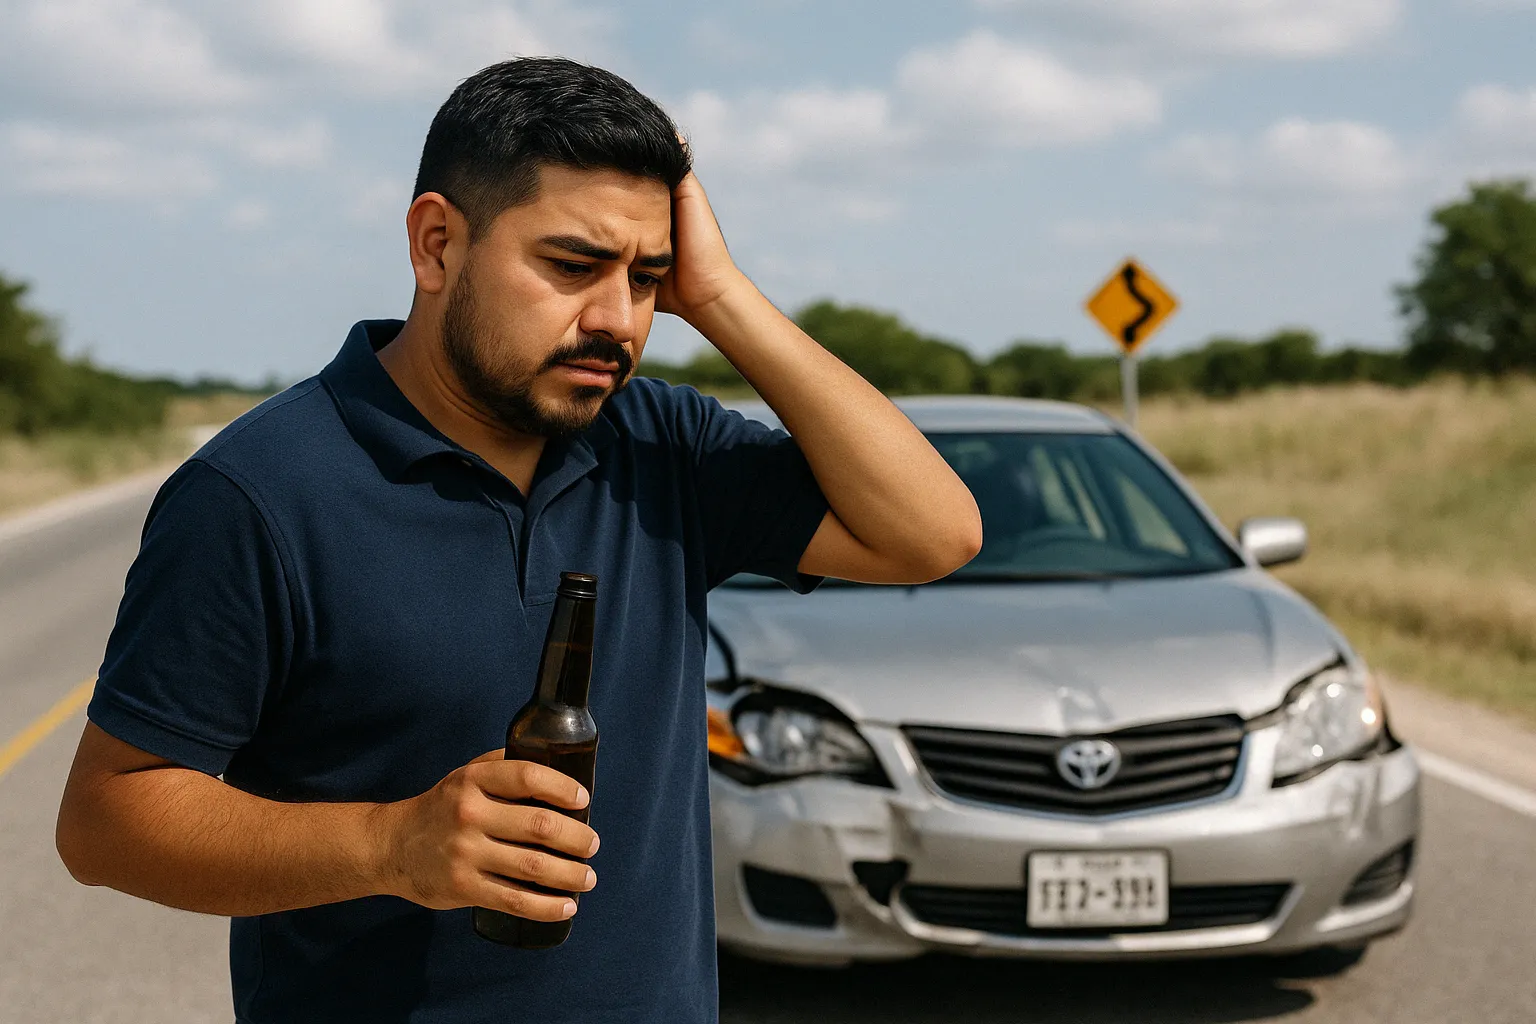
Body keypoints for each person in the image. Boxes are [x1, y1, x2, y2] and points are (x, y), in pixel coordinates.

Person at [54, 57, 981, 1023]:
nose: (617, 321)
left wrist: (722, 297)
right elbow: (106, 821)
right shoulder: (259, 492)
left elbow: (933, 534)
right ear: (437, 243)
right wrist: (391, 844)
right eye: (574, 266)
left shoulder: (659, 443)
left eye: (648, 279)